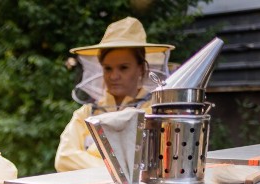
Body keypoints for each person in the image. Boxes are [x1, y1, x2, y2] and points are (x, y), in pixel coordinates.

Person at [54, 17, 173, 172]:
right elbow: (64, 159)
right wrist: (118, 170)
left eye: (123, 68)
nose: (113, 76)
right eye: (108, 68)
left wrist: (90, 155)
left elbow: (147, 163)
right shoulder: (87, 113)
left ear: (141, 69)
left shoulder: (154, 112)